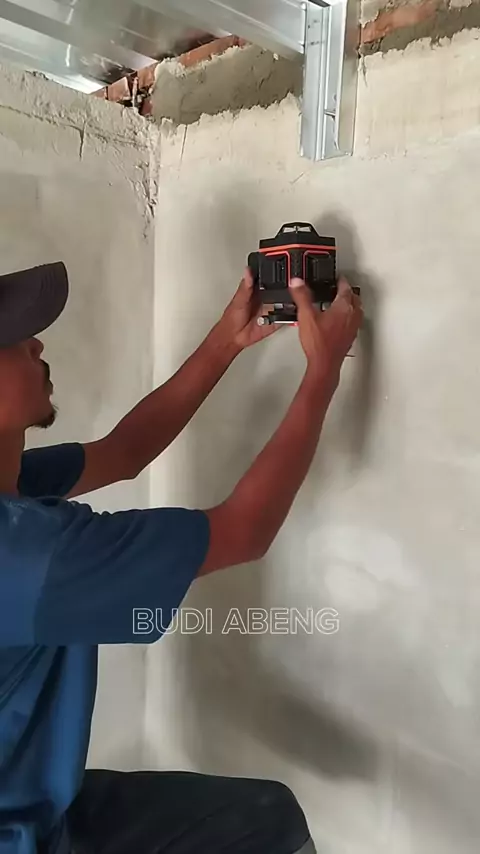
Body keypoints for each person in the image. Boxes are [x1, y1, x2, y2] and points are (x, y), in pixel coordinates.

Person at [0, 260, 362, 854]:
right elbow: (244, 530)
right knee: (267, 824)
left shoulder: (14, 487)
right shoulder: (26, 553)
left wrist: (227, 340)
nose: (37, 343)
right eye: (15, 341)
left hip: (31, 801)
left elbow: (123, 451)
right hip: (19, 834)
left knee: (264, 814)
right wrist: (322, 374)